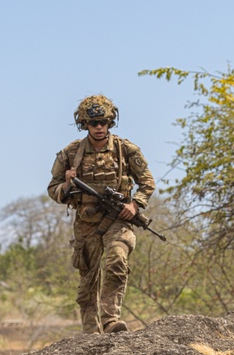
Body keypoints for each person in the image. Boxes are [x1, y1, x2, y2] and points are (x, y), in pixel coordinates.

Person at [48, 94, 155, 334]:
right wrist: (66, 185)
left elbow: (147, 182)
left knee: (117, 259)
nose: (99, 127)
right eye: (93, 123)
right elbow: (52, 190)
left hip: (119, 219)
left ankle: (111, 320)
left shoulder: (125, 149)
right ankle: (90, 332)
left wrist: (135, 205)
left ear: (110, 123)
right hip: (86, 222)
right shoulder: (71, 153)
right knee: (88, 280)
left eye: (104, 122)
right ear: (84, 124)